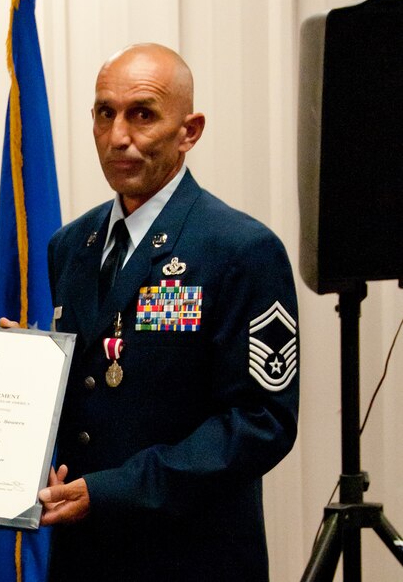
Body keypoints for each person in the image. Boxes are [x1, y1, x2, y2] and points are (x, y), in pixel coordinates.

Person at [21, 43, 299, 580]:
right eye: (105, 113)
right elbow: (92, 388)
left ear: (189, 131)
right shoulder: (70, 247)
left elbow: (260, 421)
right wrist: (26, 373)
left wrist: (116, 489)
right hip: (83, 558)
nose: (119, 135)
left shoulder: (240, 249)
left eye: (142, 114)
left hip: (191, 556)